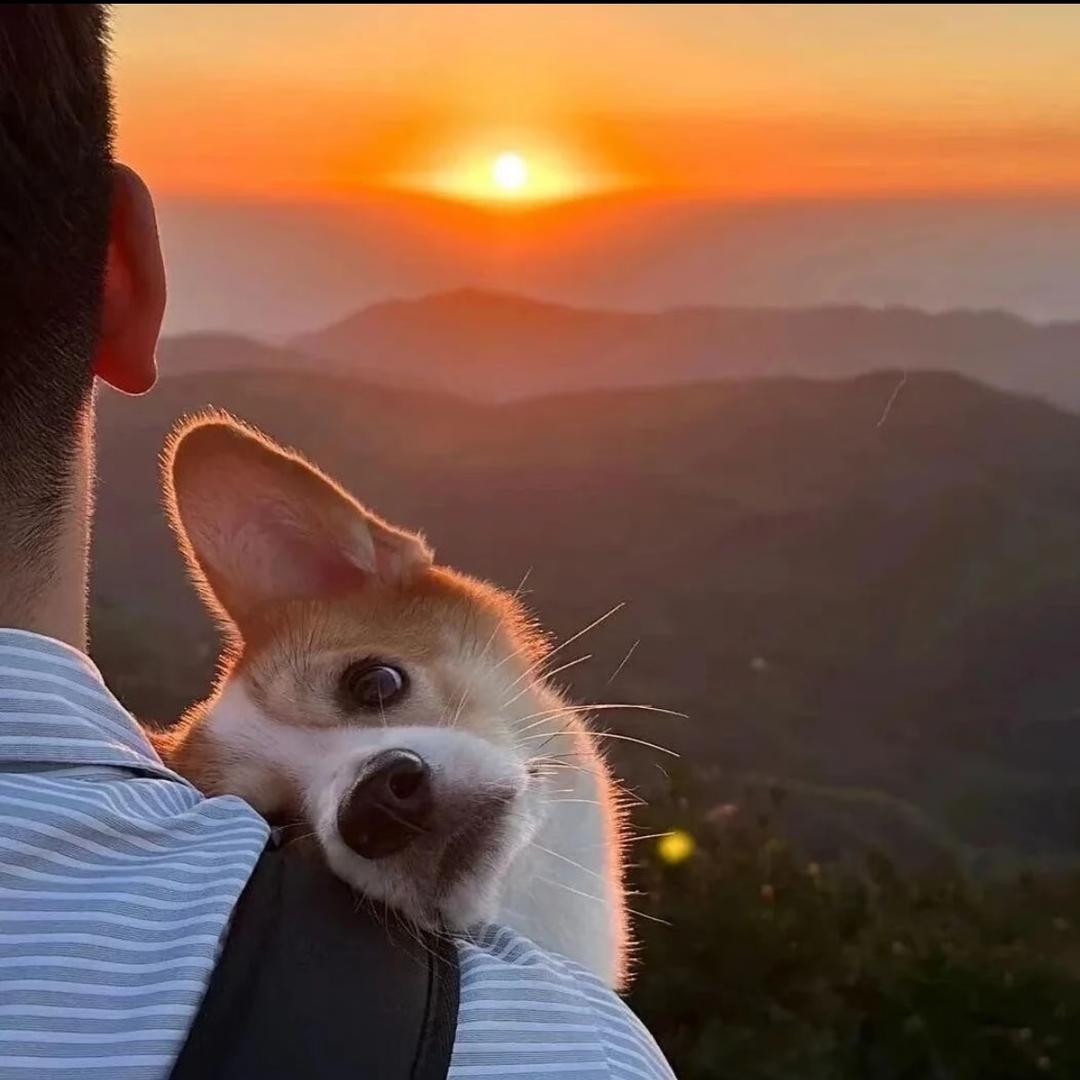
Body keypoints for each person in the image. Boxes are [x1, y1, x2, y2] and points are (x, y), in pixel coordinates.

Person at [0, 7, 675, 1079]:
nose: (369, 794)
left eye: (372, 686)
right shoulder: (556, 1053)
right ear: (116, 272)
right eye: (276, 832)